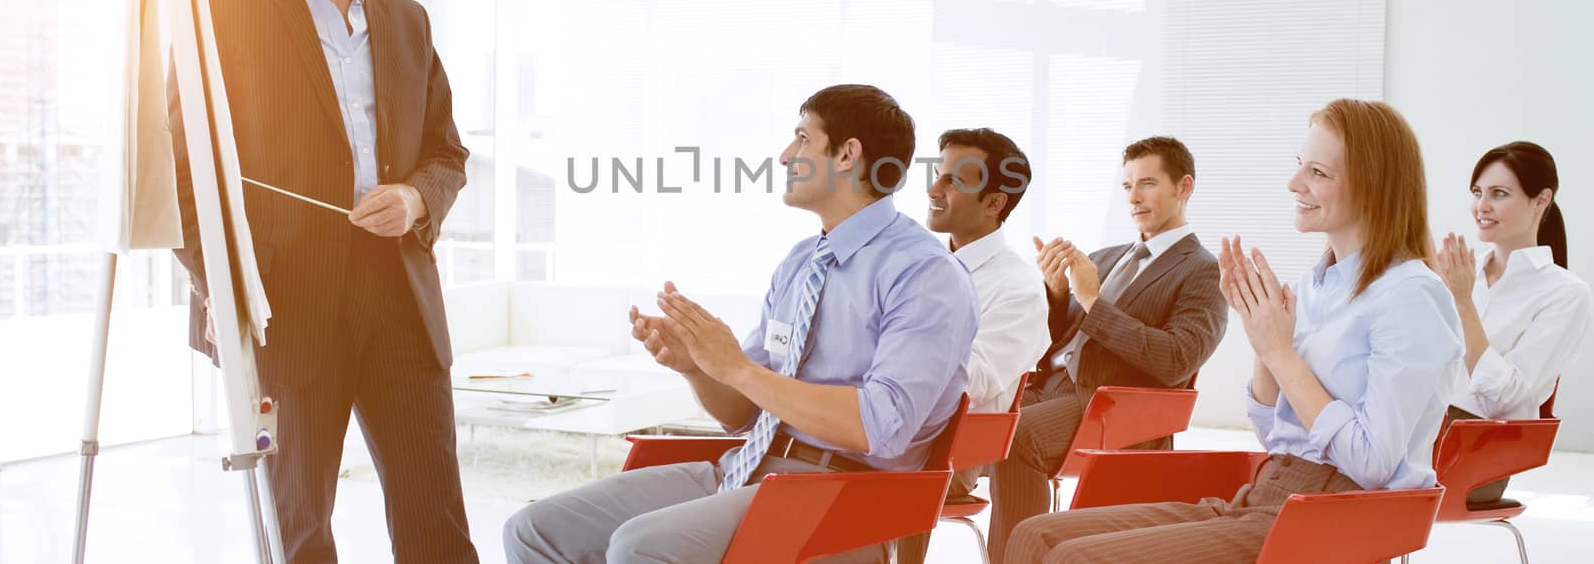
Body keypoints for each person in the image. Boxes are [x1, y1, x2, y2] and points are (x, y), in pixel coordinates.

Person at [502, 84, 979, 564]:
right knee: (533, 529)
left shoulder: (925, 274)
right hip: (750, 466)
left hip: (844, 496)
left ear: (847, 155)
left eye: (801, 138)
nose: (785, 155)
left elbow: (881, 425)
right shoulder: (800, 264)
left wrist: (739, 370)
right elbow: (743, 413)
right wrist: (697, 366)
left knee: (639, 547)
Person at [168, 0, 477, 562]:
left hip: (402, 297)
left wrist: (414, 198)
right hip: (288, 305)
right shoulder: (222, 4)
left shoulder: (408, 20)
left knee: (437, 520)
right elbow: (184, 174)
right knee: (297, 524)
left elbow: (447, 154)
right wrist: (223, 288)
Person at [1004, 98, 1465, 563]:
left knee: (1076, 559)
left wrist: (1280, 351)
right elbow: (1275, 434)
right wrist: (1262, 342)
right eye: (1299, 166)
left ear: (1374, 188)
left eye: (1318, 173)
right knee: (1034, 535)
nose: (1294, 183)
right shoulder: (1315, 286)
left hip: (1331, 516)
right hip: (1268, 490)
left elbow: (1372, 462)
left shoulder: (1410, 296)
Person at [988, 136, 1226, 562]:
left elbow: (1176, 360)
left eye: (1148, 183)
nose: (1134, 197)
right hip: (1050, 390)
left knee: (1014, 436)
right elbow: (1058, 341)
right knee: (963, 412)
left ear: (1184, 187)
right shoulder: (1106, 256)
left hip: (1108, 405)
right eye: (1127, 186)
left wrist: (1093, 301)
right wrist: (1059, 296)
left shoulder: (1203, 271)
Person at [897, 128, 1048, 564]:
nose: (933, 189)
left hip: (945, 451)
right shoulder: (917, 265)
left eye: (953, 181)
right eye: (938, 176)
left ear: (994, 202)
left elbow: (972, 381)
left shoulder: (1017, 287)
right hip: (891, 428)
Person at [1434, 141, 1592, 504]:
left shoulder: (1565, 293)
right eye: (1477, 193)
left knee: (1348, 476)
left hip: (1477, 453)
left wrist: (1461, 303)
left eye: (1499, 194)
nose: (1482, 206)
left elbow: (1506, 397)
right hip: (1422, 428)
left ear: (1541, 200)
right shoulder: (1463, 274)